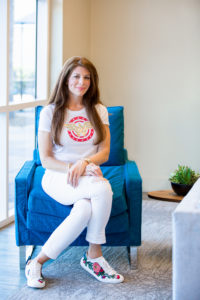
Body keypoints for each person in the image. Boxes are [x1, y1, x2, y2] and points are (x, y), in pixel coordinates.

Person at [25, 56, 124, 288]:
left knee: (83, 210)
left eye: (87, 77)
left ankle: (37, 262)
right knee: (103, 188)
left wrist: (85, 162)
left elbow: (105, 152)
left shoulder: (98, 110)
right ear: (66, 78)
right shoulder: (50, 112)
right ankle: (94, 256)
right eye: (76, 76)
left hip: (87, 174)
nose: (82, 82)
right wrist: (73, 167)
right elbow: (46, 159)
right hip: (58, 176)